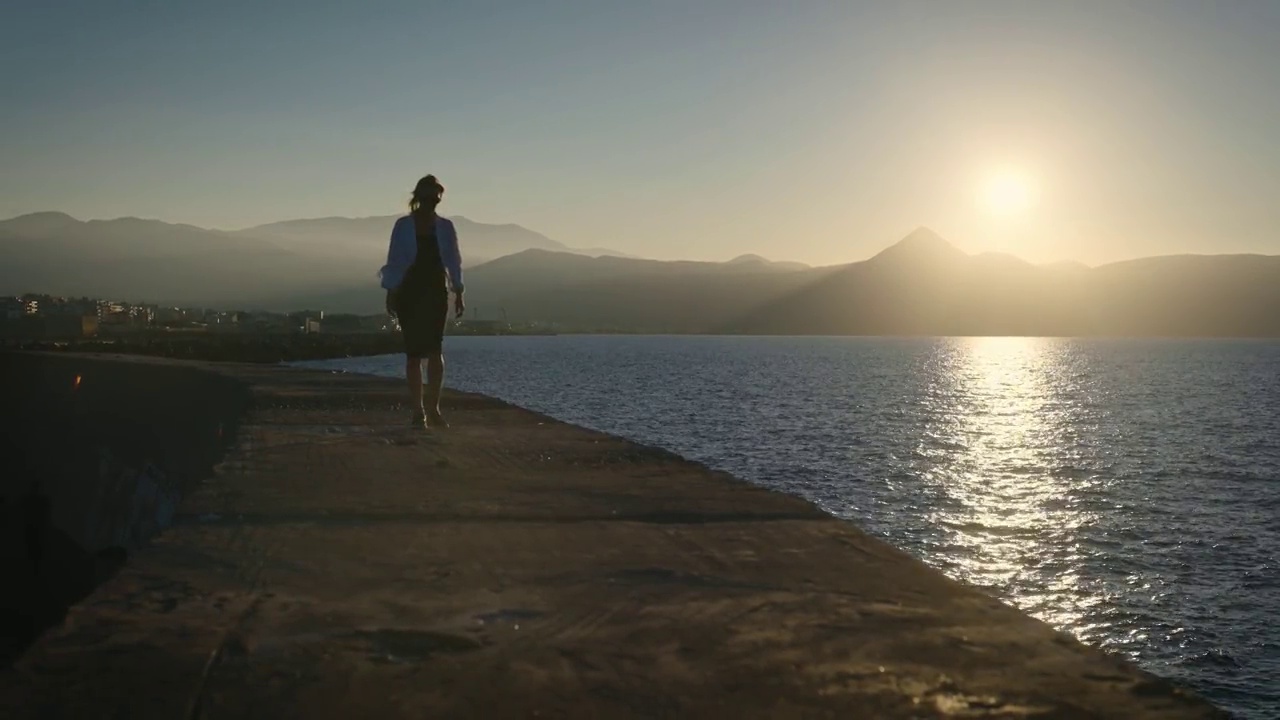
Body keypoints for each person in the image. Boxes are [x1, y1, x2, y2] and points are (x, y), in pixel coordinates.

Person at [378, 174, 465, 429]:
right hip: (409, 291)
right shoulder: (403, 226)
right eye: (428, 199)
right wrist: (391, 290)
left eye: (435, 200)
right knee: (414, 353)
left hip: (436, 291)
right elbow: (394, 260)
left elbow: (454, 261)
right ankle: (418, 412)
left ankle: (433, 408)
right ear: (419, 198)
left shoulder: (446, 227)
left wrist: (458, 291)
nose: (432, 204)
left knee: (436, 349)